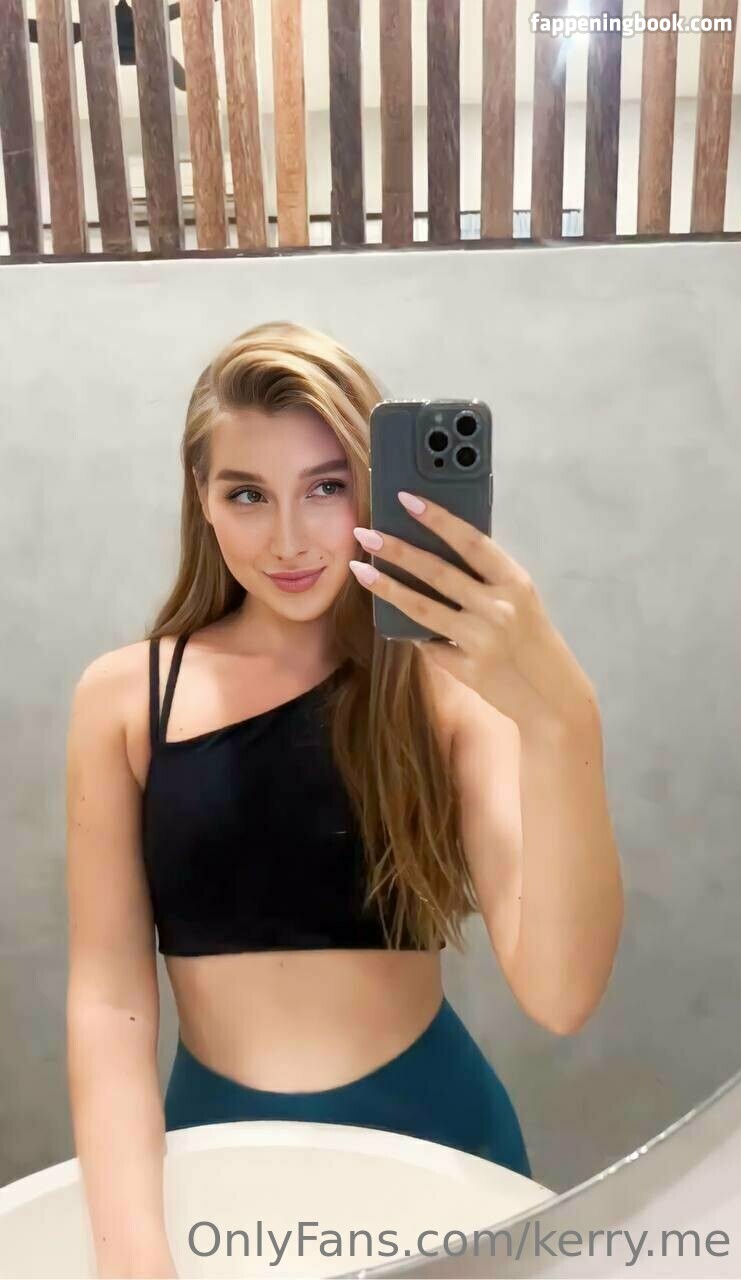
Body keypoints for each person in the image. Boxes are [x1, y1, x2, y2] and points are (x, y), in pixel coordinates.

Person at [65, 321, 623, 1278]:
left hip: (438, 1151)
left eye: (326, 487)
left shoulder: (444, 690)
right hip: (215, 1164)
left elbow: (561, 994)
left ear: (373, 486)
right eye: (248, 494)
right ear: (202, 499)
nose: (288, 539)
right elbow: (109, 1001)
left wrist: (565, 721)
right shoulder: (126, 698)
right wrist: (131, 1257)